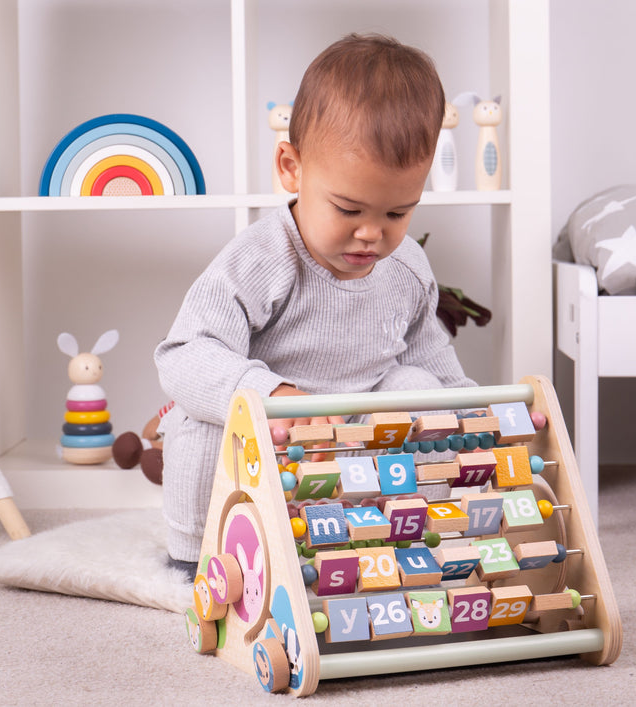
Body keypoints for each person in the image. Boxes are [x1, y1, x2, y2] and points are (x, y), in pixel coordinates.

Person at [154, 33, 475, 575]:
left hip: (357, 442)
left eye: (398, 214)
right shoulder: (261, 257)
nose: (372, 234)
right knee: (201, 422)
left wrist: (473, 415)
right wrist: (270, 396)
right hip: (267, 442)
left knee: (422, 392)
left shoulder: (408, 269)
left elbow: (432, 358)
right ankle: (191, 558)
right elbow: (184, 353)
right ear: (291, 168)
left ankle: (404, 532)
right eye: (348, 209)